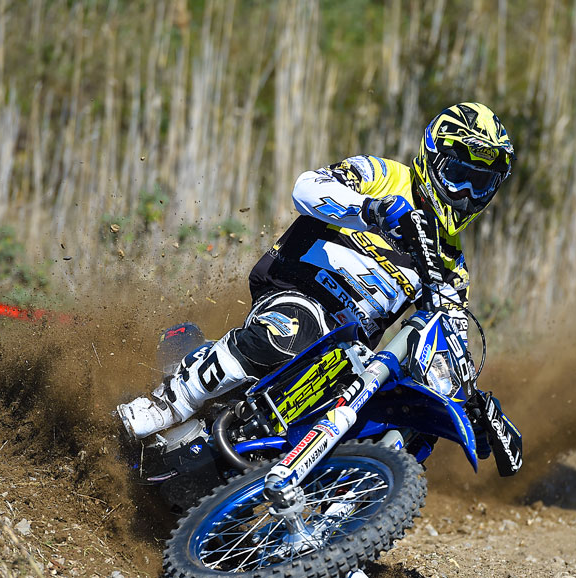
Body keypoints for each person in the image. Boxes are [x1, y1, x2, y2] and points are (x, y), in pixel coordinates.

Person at [117, 102, 522, 476]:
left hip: (348, 353)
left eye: (480, 184)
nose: (467, 195)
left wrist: (470, 406)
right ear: (432, 158)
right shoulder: (383, 175)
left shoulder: (450, 265)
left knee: (406, 411)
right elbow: (306, 187)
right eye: (459, 176)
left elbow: (448, 340)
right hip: (298, 289)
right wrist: (372, 211)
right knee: (297, 327)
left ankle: (342, 507)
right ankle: (167, 402)